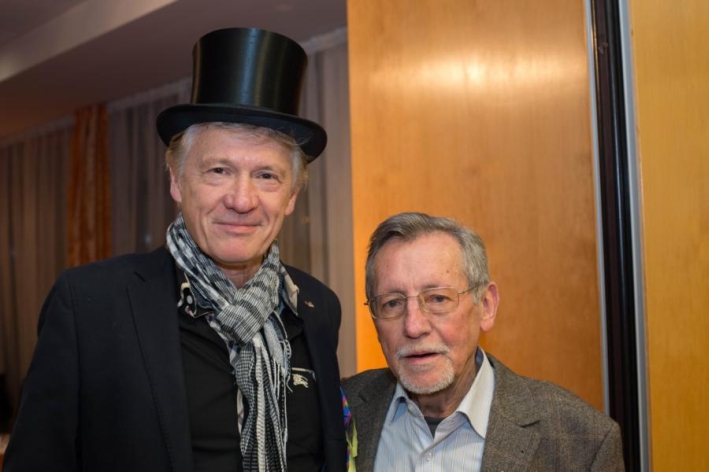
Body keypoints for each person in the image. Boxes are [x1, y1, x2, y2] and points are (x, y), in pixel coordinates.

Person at [5, 28, 346, 472]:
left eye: (266, 176)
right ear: (176, 182)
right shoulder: (89, 304)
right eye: (219, 170)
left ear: (292, 196)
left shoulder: (316, 308)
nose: (242, 200)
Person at [342, 212, 625, 471]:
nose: (413, 326)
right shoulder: (340, 408)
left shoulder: (581, 441)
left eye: (438, 298)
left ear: (486, 306)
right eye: (392, 303)